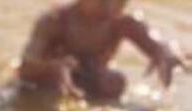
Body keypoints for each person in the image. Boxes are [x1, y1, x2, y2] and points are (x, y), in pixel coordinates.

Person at [18, 0, 189, 100]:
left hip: (93, 78)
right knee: (48, 90)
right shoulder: (54, 21)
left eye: (119, 1)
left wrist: (168, 54)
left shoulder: (123, 23)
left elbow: (159, 46)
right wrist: (53, 68)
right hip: (51, 82)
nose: (110, 7)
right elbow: (24, 67)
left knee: (114, 83)